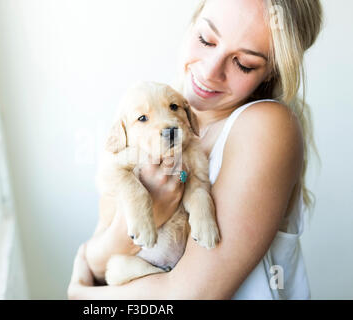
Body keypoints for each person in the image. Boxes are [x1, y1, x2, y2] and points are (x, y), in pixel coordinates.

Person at [68, 0, 323, 299]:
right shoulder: (164, 112)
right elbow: (98, 260)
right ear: (193, 22)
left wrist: (81, 295)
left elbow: (188, 296)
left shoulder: (266, 126)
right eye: (206, 39)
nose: (210, 71)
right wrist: (145, 212)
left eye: (244, 63)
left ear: (271, 72)